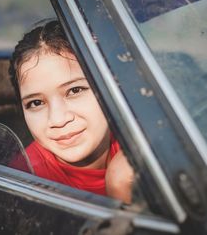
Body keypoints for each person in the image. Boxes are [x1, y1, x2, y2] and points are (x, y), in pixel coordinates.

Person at [8, 20, 133, 203]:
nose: (58, 120)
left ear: (111, 86)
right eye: (36, 103)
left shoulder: (142, 139)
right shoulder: (25, 182)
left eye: (75, 91)